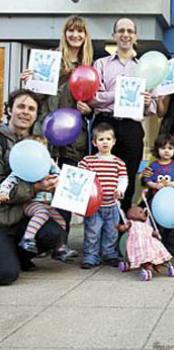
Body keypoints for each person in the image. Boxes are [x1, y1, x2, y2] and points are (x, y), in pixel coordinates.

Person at [22, 15, 94, 260]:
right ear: (64, 34)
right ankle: (40, 241)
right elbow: (36, 100)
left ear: (86, 37)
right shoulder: (49, 61)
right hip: (48, 134)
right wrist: (29, 83)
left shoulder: (89, 66)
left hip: (75, 137)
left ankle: (60, 244)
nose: (75, 35)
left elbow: (93, 102)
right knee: (46, 189)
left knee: (67, 191)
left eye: (80, 32)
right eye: (71, 31)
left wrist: (89, 110)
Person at [0, 89, 65, 285]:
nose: (25, 112)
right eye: (20, 106)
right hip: (1, 219)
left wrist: (56, 185)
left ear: (36, 115)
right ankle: (8, 255)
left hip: (23, 216)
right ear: (9, 110)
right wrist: (36, 188)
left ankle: (18, 254)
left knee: (54, 233)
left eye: (31, 108)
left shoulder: (39, 144)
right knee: (6, 275)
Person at [91, 17, 156, 212]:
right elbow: (94, 98)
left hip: (131, 127)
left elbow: (152, 107)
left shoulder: (145, 67)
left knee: (126, 178)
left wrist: (146, 102)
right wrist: (119, 93)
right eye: (121, 31)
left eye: (129, 31)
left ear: (135, 37)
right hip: (105, 123)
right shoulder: (101, 64)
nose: (125, 35)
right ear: (114, 36)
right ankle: (98, 227)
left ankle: (120, 228)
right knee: (100, 176)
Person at [0, 135, 65, 254]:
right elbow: (10, 181)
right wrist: (4, 192)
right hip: (32, 202)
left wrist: (59, 182)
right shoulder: (22, 167)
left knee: (61, 221)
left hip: (47, 202)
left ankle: (60, 248)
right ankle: (28, 238)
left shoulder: (48, 164)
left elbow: (59, 174)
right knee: (42, 213)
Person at [78, 123, 128, 269]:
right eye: (101, 139)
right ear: (94, 143)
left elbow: (123, 178)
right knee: (92, 231)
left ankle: (109, 253)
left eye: (108, 139)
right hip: (94, 206)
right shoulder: (88, 161)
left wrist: (120, 189)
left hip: (112, 205)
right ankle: (91, 255)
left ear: (113, 142)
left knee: (111, 231)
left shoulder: (118, 163)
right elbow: (80, 175)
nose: (105, 142)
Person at [142, 133, 174, 253]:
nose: (166, 151)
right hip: (157, 202)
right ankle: (158, 246)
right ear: (157, 150)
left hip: (173, 203)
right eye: (163, 148)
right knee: (158, 224)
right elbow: (146, 180)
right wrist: (156, 185)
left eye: (170, 148)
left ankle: (171, 247)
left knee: (172, 226)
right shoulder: (152, 166)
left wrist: (172, 184)